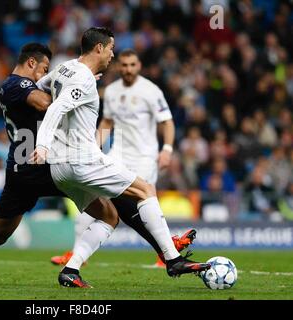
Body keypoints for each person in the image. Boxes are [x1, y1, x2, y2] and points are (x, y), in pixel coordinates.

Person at [0, 41, 204, 289]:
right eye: (44, 69)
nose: (44, 74)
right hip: (41, 164)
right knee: (120, 199)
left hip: (23, 169)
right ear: (32, 63)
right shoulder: (14, 84)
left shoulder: (17, 86)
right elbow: (47, 104)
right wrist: (74, 87)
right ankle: (167, 247)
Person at [31, 27, 210, 287]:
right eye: (111, 49)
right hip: (81, 159)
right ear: (99, 48)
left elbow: (40, 88)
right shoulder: (83, 78)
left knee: (109, 216)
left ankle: (71, 270)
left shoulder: (65, 68)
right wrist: (42, 143)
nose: (113, 55)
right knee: (146, 190)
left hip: (59, 168)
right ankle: (172, 259)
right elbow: (58, 107)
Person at [50, 48, 190, 268]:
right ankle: (78, 255)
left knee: (141, 201)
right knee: (96, 205)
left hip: (144, 157)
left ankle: (165, 251)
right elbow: (107, 123)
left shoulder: (151, 91)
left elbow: (167, 122)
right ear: (118, 66)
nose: (128, 69)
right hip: (118, 154)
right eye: (124, 65)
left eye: (132, 65)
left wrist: (168, 149)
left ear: (139, 66)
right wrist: (92, 147)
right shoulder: (112, 91)